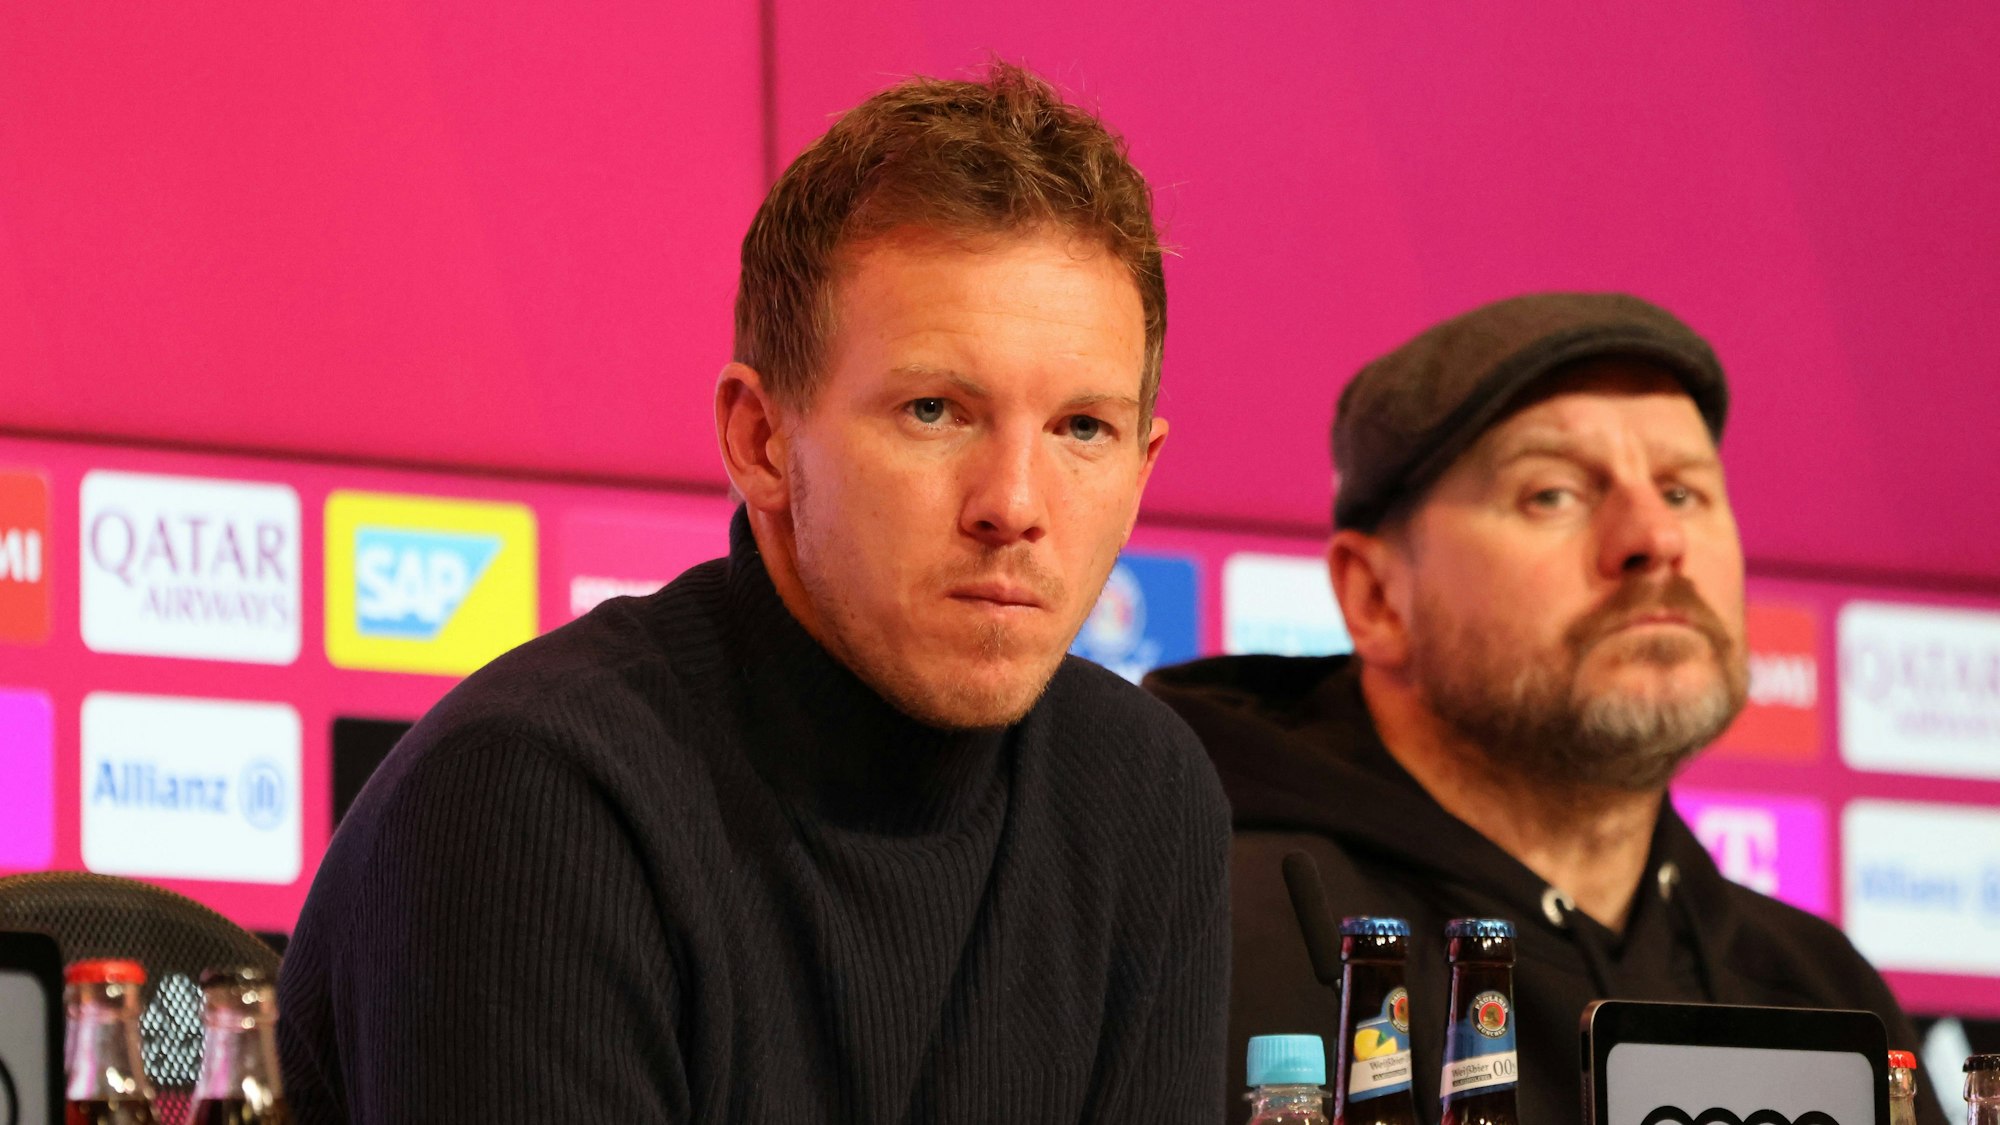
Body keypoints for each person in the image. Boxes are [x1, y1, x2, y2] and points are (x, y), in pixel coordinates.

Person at [279, 64, 1230, 1123]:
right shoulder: (532, 798)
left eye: (1080, 430)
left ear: (1143, 470)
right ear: (760, 438)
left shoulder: (1140, 797)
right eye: (933, 411)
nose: (1012, 503)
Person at [1145, 293, 1945, 1125]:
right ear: (1376, 594)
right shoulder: (1195, 934)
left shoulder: (1823, 992)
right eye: (1553, 494)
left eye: (1683, 491)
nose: (1652, 538)